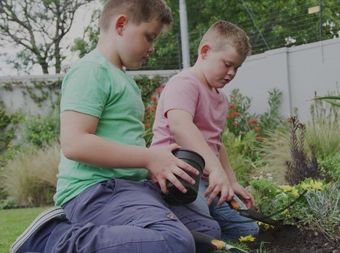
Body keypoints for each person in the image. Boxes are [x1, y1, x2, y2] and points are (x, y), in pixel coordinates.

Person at [10, 1, 220, 253]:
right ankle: (52, 238)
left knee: (206, 234)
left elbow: (124, 143)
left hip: (131, 188)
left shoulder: (124, 80)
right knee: (174, 240)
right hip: (95, 191)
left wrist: (161, 162)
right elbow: (74, 143)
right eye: (149, 37)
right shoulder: (90, 70)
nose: (152, 48)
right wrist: (149, 157)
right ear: (121, 25)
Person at [151, 20, 259, 241]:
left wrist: (231, 180)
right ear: (205, 51)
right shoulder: (185, 83)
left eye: (236, 68)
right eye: (227, 64)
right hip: (178, 176)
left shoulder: (221, 98)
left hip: (209, 181)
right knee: (208, 232)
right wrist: (216, 170)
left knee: (248, 231)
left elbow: (216, 144)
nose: (231, 73)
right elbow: (181, 127)